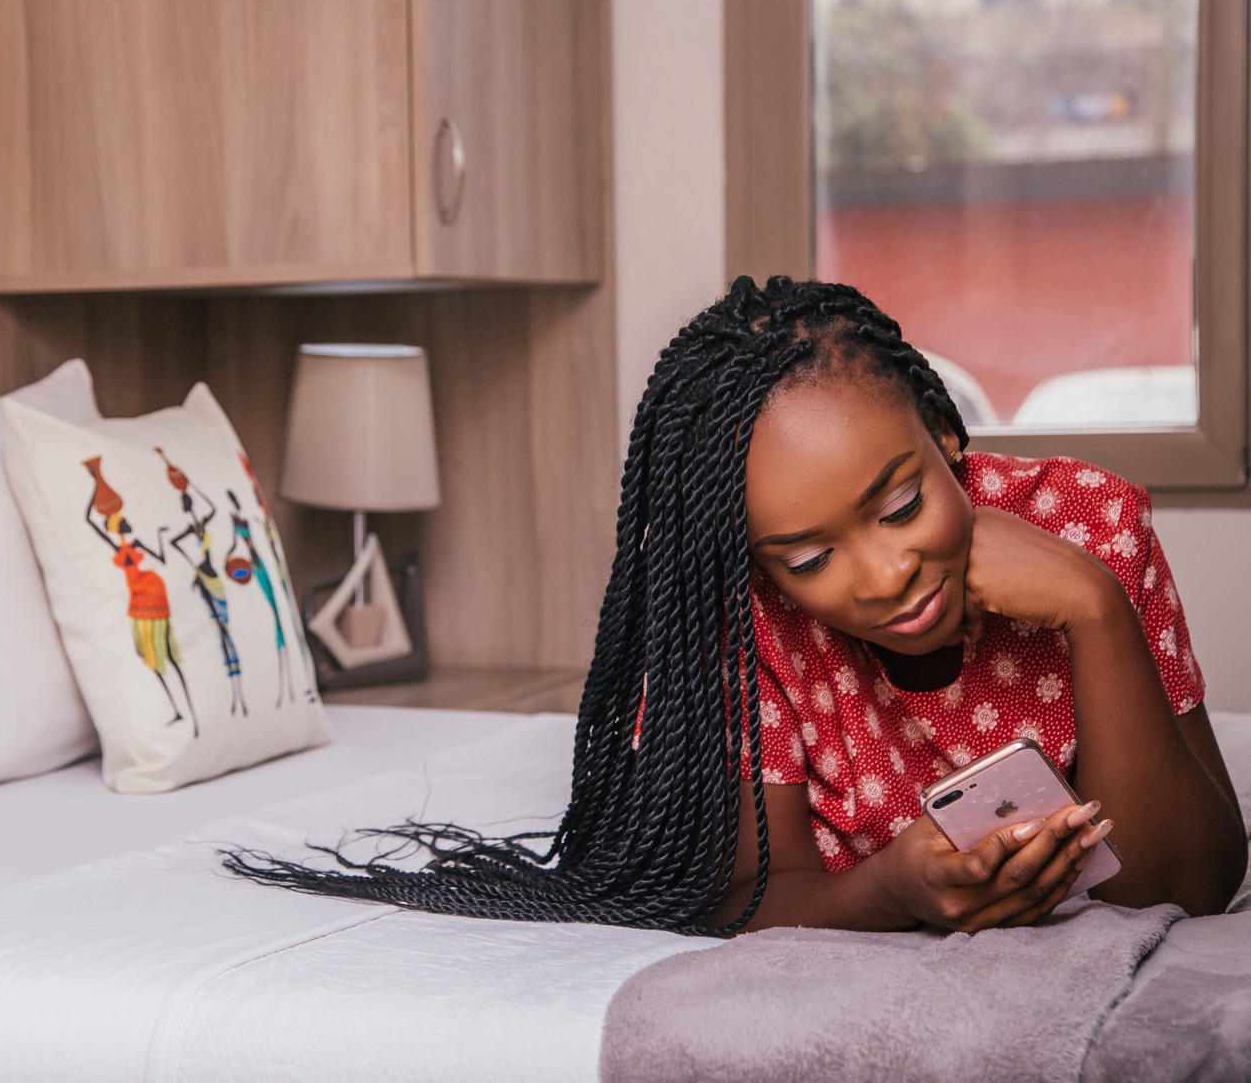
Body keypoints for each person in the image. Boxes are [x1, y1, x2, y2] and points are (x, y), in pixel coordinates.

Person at [225, 277, 1244, 934]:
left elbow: (1196, 878)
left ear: (945, 433)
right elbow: (754, 891)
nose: (883, 573)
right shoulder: (738, 613)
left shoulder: (1090, 521)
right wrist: (890, 892)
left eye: (900, 503)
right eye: (807, 556)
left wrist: (1094, 608)